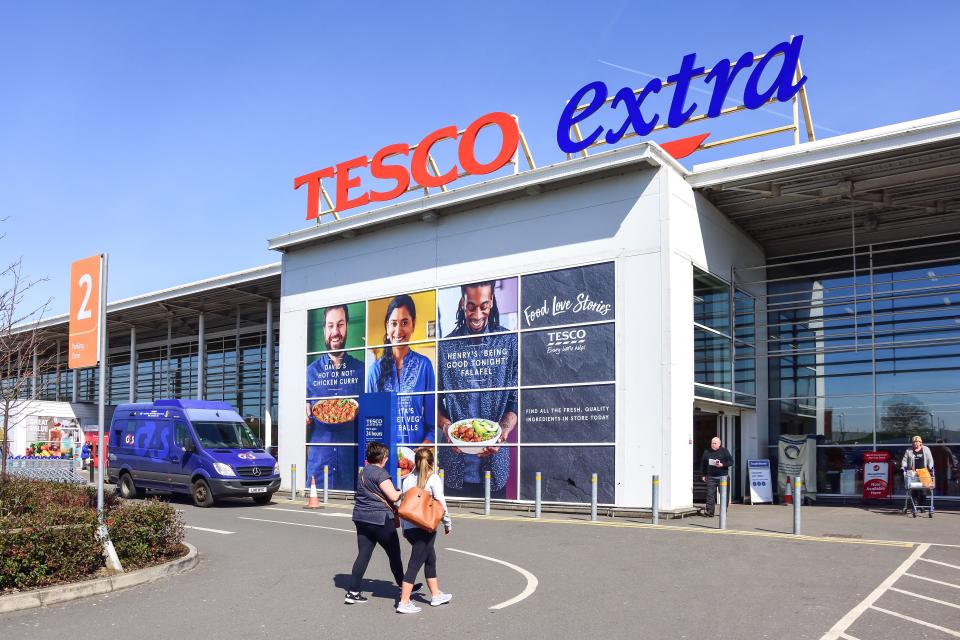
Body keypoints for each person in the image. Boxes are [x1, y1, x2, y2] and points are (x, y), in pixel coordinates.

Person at [438, 281, 518, 498]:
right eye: (471, 306)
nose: (477, 314)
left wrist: (502, 431)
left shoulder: (508, 342)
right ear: (462, 302)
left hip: (495, 465)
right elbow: (435, 403)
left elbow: (514, 401)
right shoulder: (445, 347)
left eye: (484, 305)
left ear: (492, 300)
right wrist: (446, 428)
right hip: (454, 467)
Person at [306, 305, 365, 489]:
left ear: (347, 326)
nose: (335, 332)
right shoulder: (310, 373)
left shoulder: (361, 370)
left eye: (340, 325)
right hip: (318, 466)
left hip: (350, 466)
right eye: (330, 326)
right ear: (324, 329)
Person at [366, 295, 436, 445]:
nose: (398, 331)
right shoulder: (374, 372)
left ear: (413, 325)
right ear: (387, 326)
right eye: (393, 323)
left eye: (404, 322)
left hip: (416, 461)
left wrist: (421, 452)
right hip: (383, 461)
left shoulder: (425, 366)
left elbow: (432, 426)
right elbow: (371, 427)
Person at [345, 442, 405, 605]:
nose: (387, 459)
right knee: (394, 554)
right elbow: (393, 496)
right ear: (382, 458)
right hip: (380, 519)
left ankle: (353, 591)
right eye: (386, 456)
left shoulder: (363, 472)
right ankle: (404, 587)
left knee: (363, 555)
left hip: (361, 518)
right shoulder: (380, 473)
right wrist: (401, 492)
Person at [396, 447, 453, 614]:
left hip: (411, 528)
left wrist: (405, 529)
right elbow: (441, 504)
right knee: (415, 564)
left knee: (430, 559)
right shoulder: (433, 478)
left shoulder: (407, 480)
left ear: (415, 462)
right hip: (426, 526)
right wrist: (447, 524)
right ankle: (404, 602)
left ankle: (436, 595)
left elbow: (403, 505)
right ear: (432, 463)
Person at [700, 436, 733, 517]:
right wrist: (703, 474)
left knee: (724, 495)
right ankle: (709, 512)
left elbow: (731, 462)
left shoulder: (724, 451)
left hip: (723, 477)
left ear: (719, 444)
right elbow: (703, 464)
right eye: (712, 443)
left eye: (715, 443)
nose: (713, 444)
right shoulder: (707, 451)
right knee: (710, 494)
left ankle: (723, 512)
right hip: (711, 477)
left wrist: (722, 464)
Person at [901, 435, 935, 513]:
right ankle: (915, 505)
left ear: (920, 443)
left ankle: (922, 506)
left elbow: (930, 459)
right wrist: (904, 467)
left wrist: (931, 467)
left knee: (923, 489)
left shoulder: (926, 449)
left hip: (923, 472)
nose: (915, 444)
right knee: (913, 489)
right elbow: (904, 460)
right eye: (914, 442)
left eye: (917, 442)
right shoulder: (908, 450)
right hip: (912, 473)